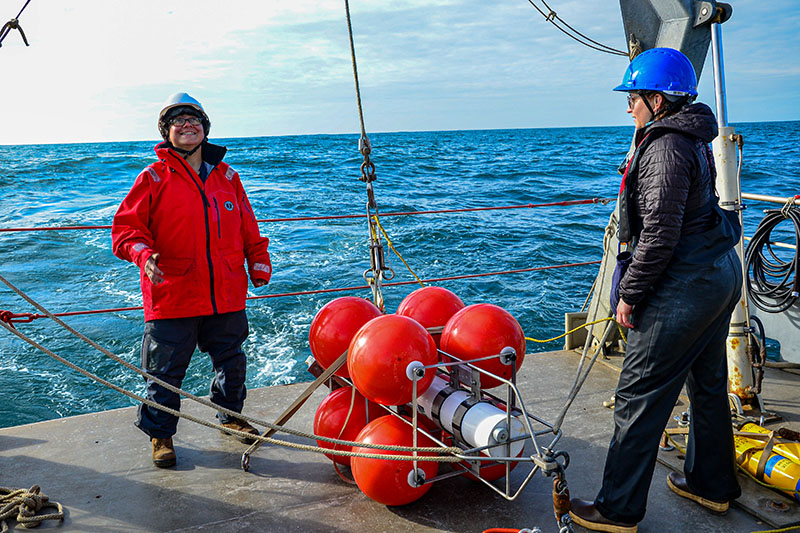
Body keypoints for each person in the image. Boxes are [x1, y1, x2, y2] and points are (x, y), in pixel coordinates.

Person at [569, 48, 742, 532]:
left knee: (637, 395)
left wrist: (630, 295)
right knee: (707, 386)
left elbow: (659, 235)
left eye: (634, 97)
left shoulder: (664, 147)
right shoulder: (689, 137)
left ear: (658, 100)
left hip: (686, 286)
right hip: (717, 275)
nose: (628, 107)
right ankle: (712, 486)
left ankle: (617, 509)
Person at [112, 92, 272, 468]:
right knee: (164, 374)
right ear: (166, 132)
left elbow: (249, 229)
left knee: (232, 362)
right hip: (173, 294)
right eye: (178, 120)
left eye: (195, 119)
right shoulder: (151, 178)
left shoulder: (228, 178)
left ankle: (231, 415)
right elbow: (125, 231)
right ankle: (161, 435)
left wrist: (258, 262)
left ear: (205, 129)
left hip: (226, 294)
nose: (188, 125)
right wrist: (142, 254)